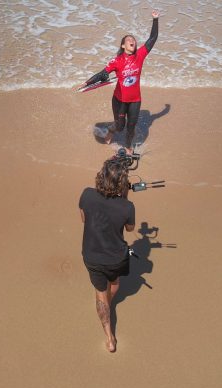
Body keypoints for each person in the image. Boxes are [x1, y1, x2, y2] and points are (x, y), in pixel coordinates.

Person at [81, 11, 159, 153]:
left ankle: (128, 146)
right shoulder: (117, 61)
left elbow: (153, 38)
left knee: (131, 127)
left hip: (135, 100)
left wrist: (155, 19)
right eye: (129, 39)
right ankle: (111, 130)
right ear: (123, 45)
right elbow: (103, 74)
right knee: (120, 125)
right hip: (120, 100)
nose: (132, 41)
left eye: (134, 39)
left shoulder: (140, 55)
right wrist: (88, 83)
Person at [78, 158, 136, 352]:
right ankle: (106, 304)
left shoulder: (87, 194)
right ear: (122, 183)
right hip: (116, 257)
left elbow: (83, 218)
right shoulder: (127, 207)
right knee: (115, 284)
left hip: (91, 255)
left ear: (101, 177)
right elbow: (130, 228)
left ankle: (110, 338)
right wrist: (125, 198)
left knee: (100, 292)